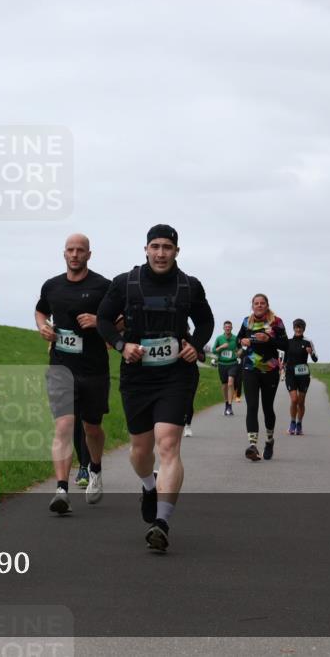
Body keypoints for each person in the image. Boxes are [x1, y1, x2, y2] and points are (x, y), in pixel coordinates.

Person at [97, 224, 214, 552]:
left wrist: (195, 345)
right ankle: (149, 486)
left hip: (176, 376)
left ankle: (161, 522)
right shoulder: (125, 283)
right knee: (140, 450)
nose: (161, 253)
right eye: (156, 247)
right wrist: (122, 345)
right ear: (146, 249)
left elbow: (205, 322)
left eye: (167, 247)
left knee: (168, 444)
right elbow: (103, 320)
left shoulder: (189, 286)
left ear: (177, 251)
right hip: (137, 377)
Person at [35, 234, 111, 513]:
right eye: (70, 250)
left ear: (89, 254)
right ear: (64, 253)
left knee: (92, 427)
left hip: (93, 369)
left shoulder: (104, 286)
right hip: (60, 367)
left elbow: (121, 321)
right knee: (64, 426)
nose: (75, 254)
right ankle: (61, 490)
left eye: (80, 250)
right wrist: (43, 327)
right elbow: (40, 311)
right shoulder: (52, 286)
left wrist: (99, 321)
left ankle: (95, 468)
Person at [236, 294, 289, 461]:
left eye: (262, 303)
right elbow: (238, 339)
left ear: (267, 305)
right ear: (252, 306)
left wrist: (269, 339)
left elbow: (285, 345)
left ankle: (269, 440)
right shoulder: (247, 321)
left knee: (267, 408)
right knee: (252, 406)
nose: (259, 305)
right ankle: (253, 446)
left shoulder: (276, 322)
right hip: (250, 368)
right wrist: (242, 341)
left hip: (270, 369)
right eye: (256, 303)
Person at [285, 319, 319, 435]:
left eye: (300, 327)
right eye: (296, 327)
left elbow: (315, 359)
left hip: (303, 375)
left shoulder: (308, 342)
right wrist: (282, 367)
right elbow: (284, 357)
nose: (298, 329)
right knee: (294, 399)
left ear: (304, 329)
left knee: (301, 402)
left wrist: (311, 353)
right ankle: (292, 423)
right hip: (290, 374)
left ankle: (299, 424)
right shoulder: (288, 341)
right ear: (293, 328)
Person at [212, 320, 240, 416]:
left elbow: (240, 349)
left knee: (230, 383)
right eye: (226, 327)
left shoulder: (235, 338)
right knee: (224, 385)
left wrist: (238, 353)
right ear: (223, 328)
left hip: (233, 363)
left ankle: (230, 406)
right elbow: (213, 351)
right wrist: (221, 347)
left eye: (229, 327)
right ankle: (226, 404)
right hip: (222, 364)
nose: (228, 328)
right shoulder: (219, 338)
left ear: (231, 328)